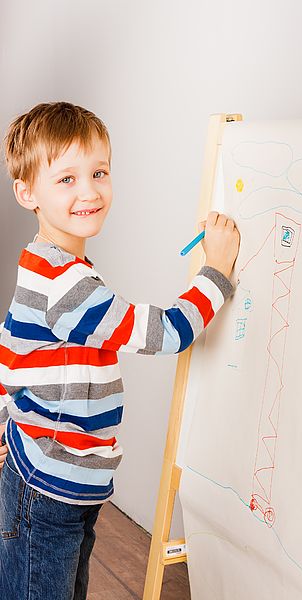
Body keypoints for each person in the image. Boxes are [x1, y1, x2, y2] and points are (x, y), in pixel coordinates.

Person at [0, 101, 240, 599]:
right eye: (66, 179)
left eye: (99, 172)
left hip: (67, 482)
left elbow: (11, 348)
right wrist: (215, 272)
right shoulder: (64, 284)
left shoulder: (50, 266)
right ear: (27, 192)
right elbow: (164, 332)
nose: (89, 191)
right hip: (46, 485)